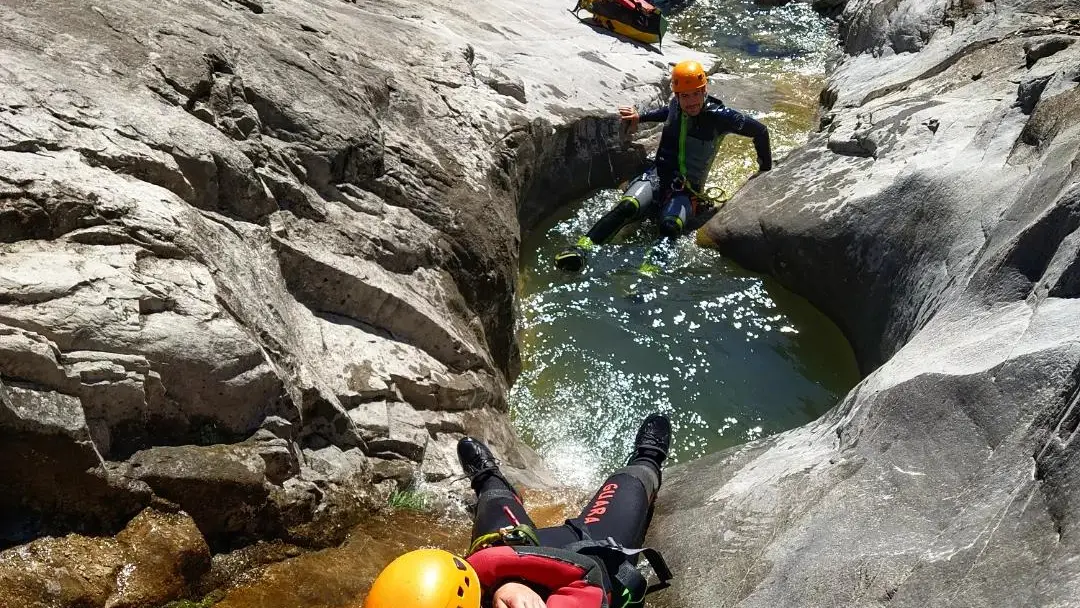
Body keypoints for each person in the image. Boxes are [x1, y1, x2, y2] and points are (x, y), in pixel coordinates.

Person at [363, 413, 674, 608]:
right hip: (588, 550)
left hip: (517, 554)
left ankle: (487, 477)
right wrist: (510, 580)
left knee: (497, 514)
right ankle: (648, 457)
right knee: (631, 488)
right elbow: (587, 576)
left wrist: (503, 583)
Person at [554, 59, 773, 272]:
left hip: (686, 190)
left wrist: (765, 168)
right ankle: (581, 249)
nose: (691, 102)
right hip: (656, 176)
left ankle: (648, 275)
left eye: (696, 93)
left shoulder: (721, 117)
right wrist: (641, 117)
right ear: (677, 96)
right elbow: (667, 113)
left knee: (670, 226)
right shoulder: (676, 106)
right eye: (685, 96)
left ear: (704, 89)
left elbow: (760, 131)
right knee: (627, 206)